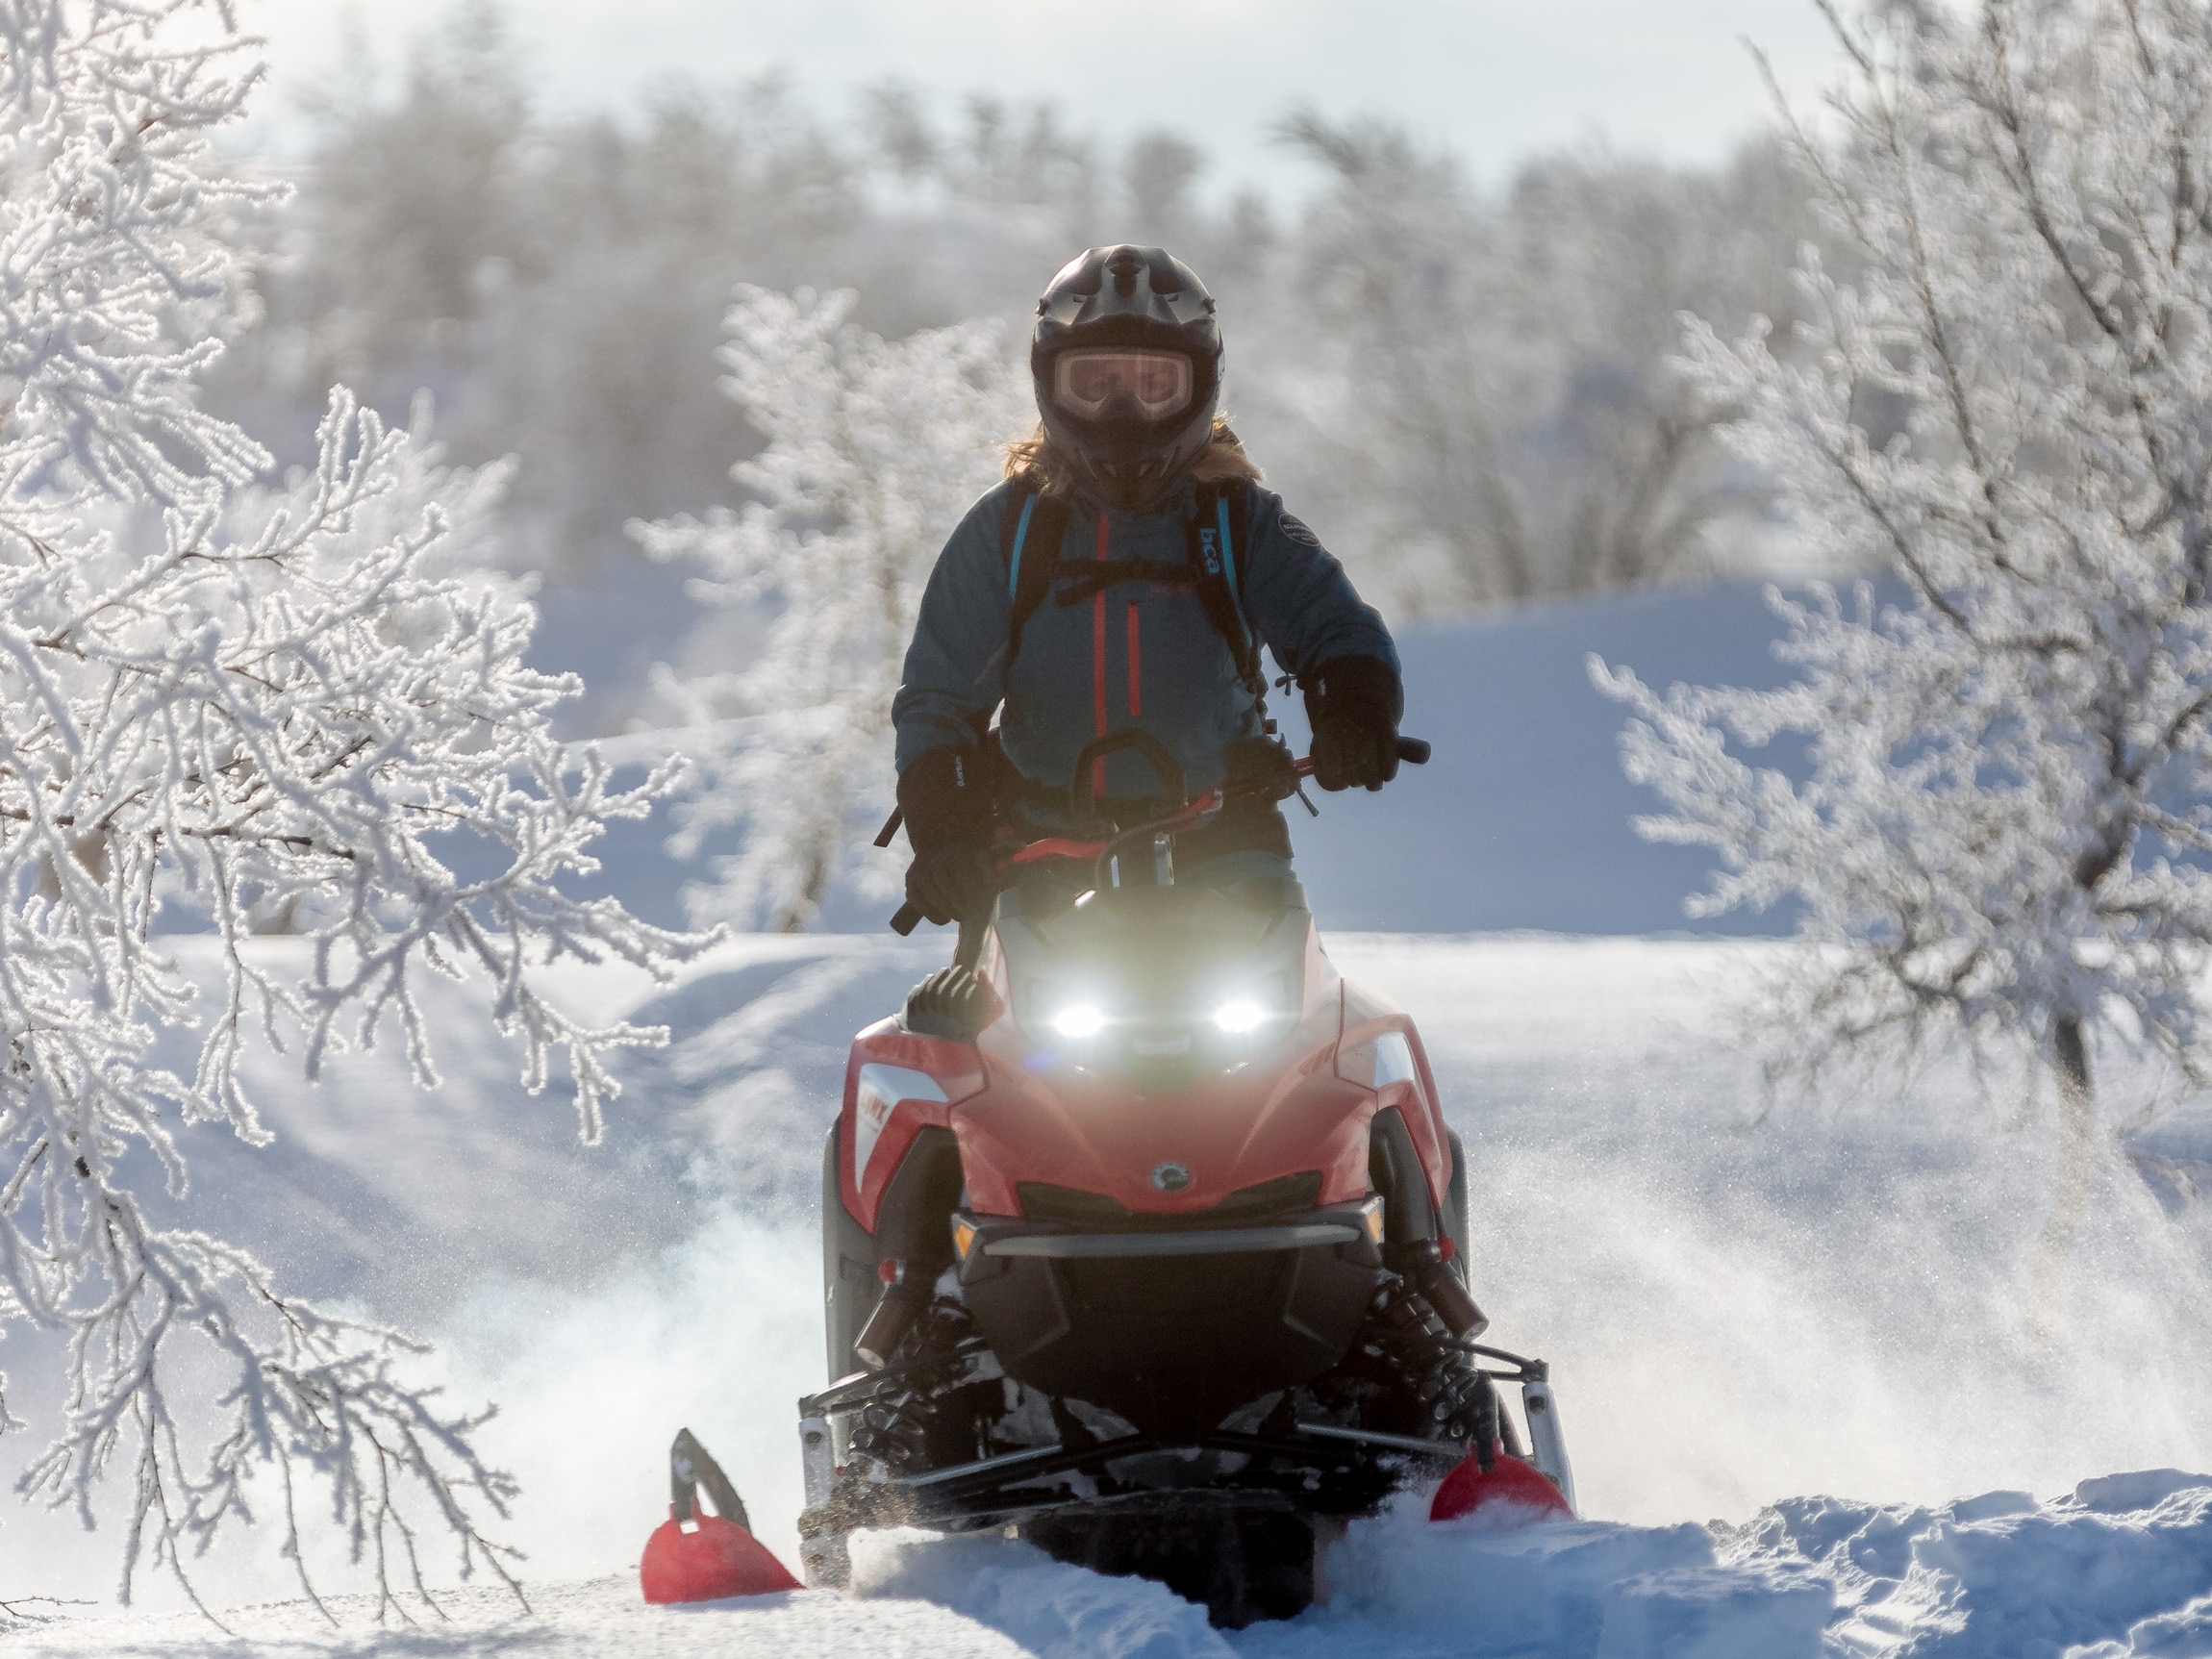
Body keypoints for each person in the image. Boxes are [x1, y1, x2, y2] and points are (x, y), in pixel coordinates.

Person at [892, 244, 1405, 927]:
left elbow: (1337, 628)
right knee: (969, 1027)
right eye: (1095, 383)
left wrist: (1356, 713)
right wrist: (947, 833)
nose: (1124, 411)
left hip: (1226, 848)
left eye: (1154, 385)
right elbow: (938, 697)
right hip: (1042, 856)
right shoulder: (1007, 532)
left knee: (1296, 1014)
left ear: (1202, 384)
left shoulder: (1238, 517)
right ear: (1050, 384)